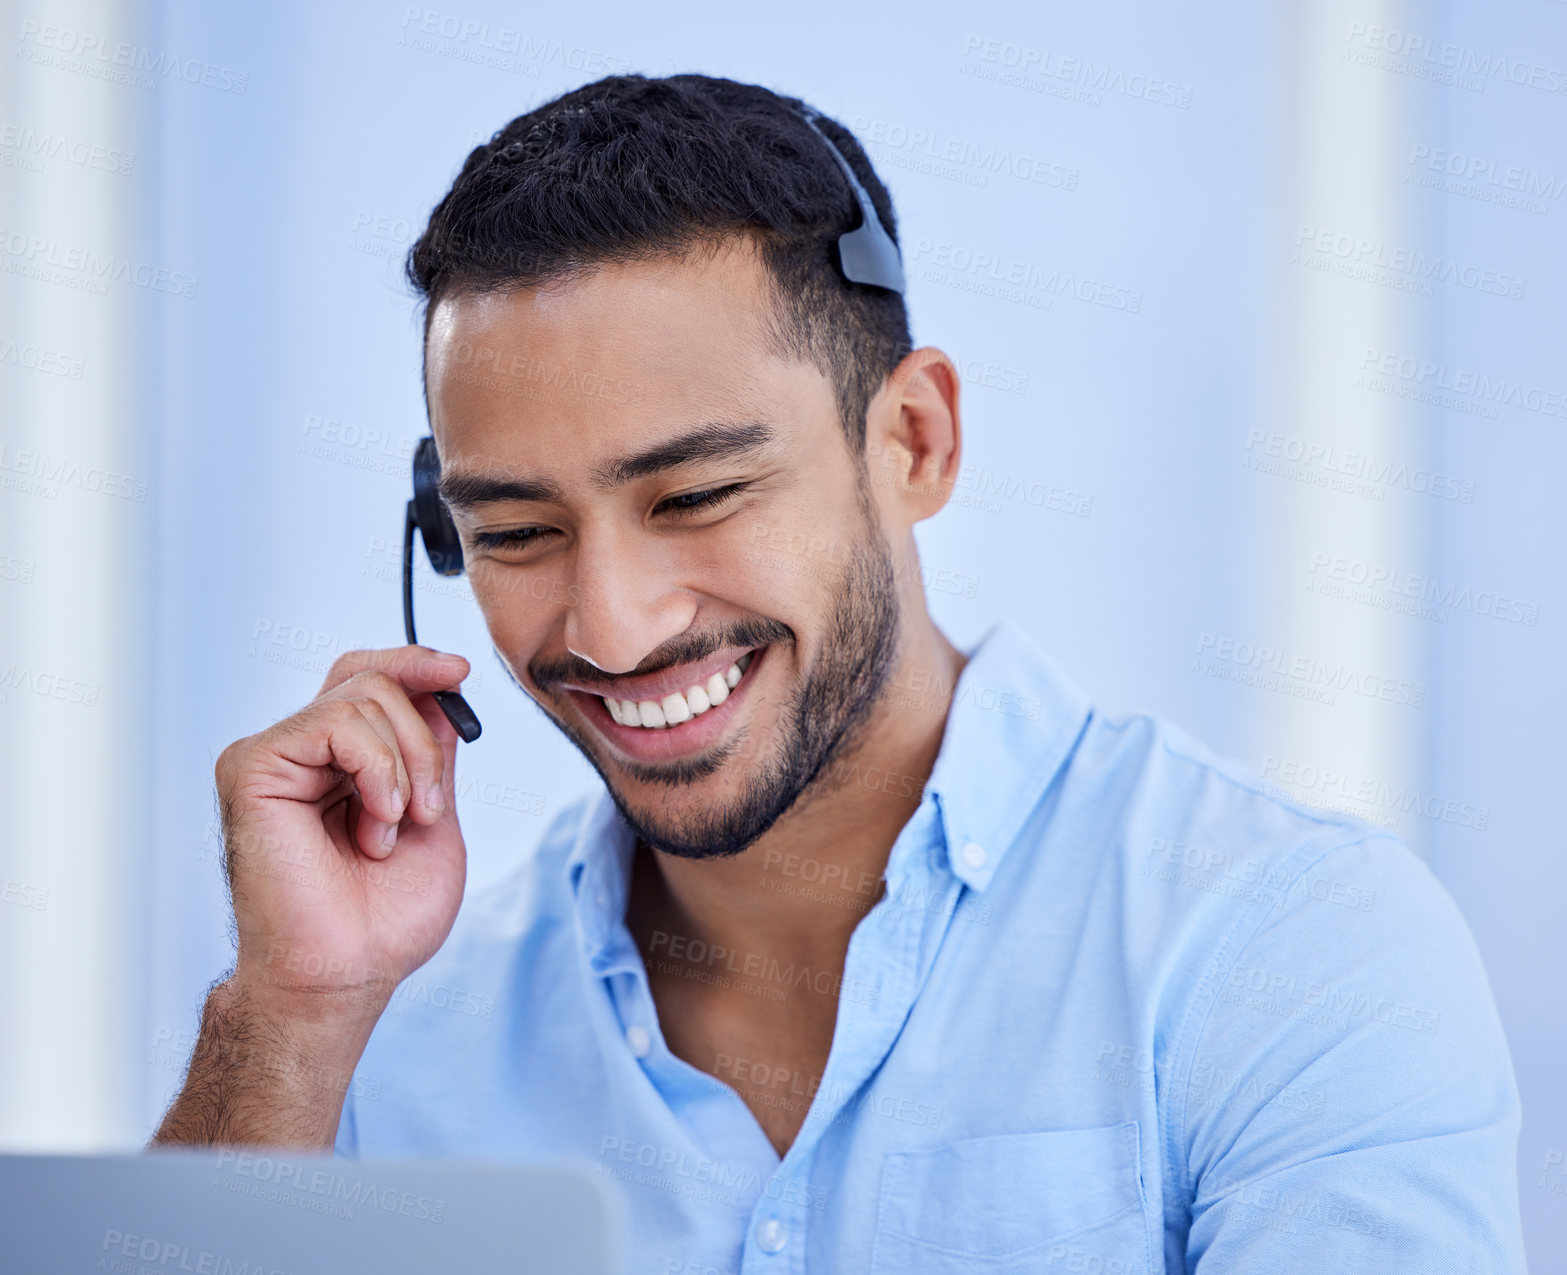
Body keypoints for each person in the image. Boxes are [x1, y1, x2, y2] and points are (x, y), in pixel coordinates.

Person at [151, 74, 1526, 1273]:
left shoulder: (1282, 949)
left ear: (914, 441)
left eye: (695, 496)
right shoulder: (388, 1039)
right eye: (514, 532)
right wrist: (291, 1017)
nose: (613, 628)